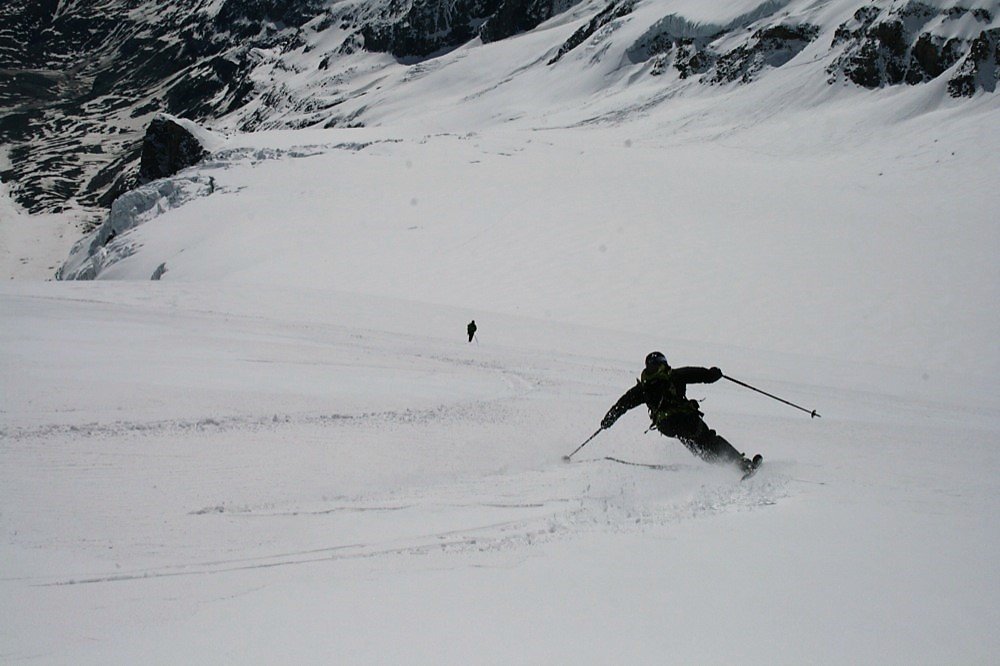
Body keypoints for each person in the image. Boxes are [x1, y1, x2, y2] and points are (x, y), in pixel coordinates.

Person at [600, 351, 759, 473]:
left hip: (666, 426)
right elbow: (699, 374)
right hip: (685, 419)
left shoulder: (643, 388)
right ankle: (740, 464)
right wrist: (714, 374)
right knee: (708, 439)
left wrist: (608, 420)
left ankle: (724, 468)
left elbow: (622, 404)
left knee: (697, 446)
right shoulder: (675, 375)